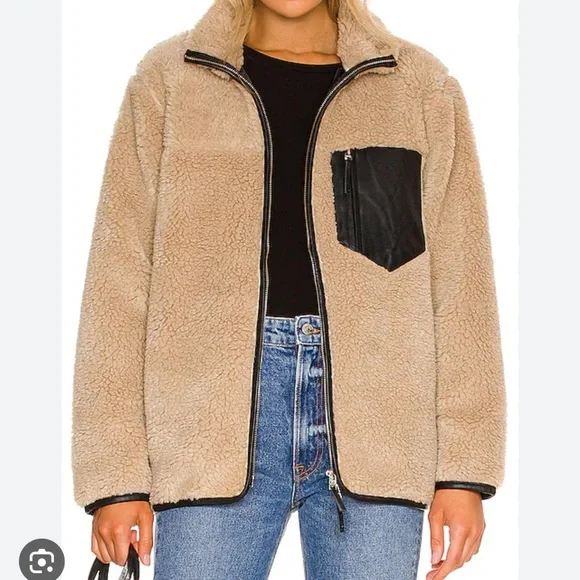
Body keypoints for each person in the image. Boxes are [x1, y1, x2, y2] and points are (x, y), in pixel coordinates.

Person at [71, 1, 507, 578]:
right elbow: (118, 280)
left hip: (381, 420)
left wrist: (463, 473)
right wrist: (115, 478)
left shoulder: (418, 87)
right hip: (206, 423)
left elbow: (462, 287)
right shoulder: (170, 81)